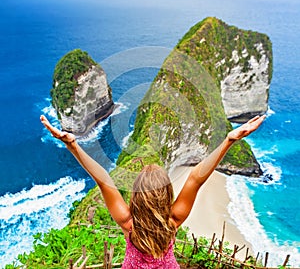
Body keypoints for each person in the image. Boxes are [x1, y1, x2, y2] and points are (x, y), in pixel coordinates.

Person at [40, 114, 266, 268]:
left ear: (137, 198)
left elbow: (103, 180)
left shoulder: (129, 224)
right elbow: (196, 178)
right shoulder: (173, 221)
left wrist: (72, 145)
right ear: (166, 195)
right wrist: (229, 140)